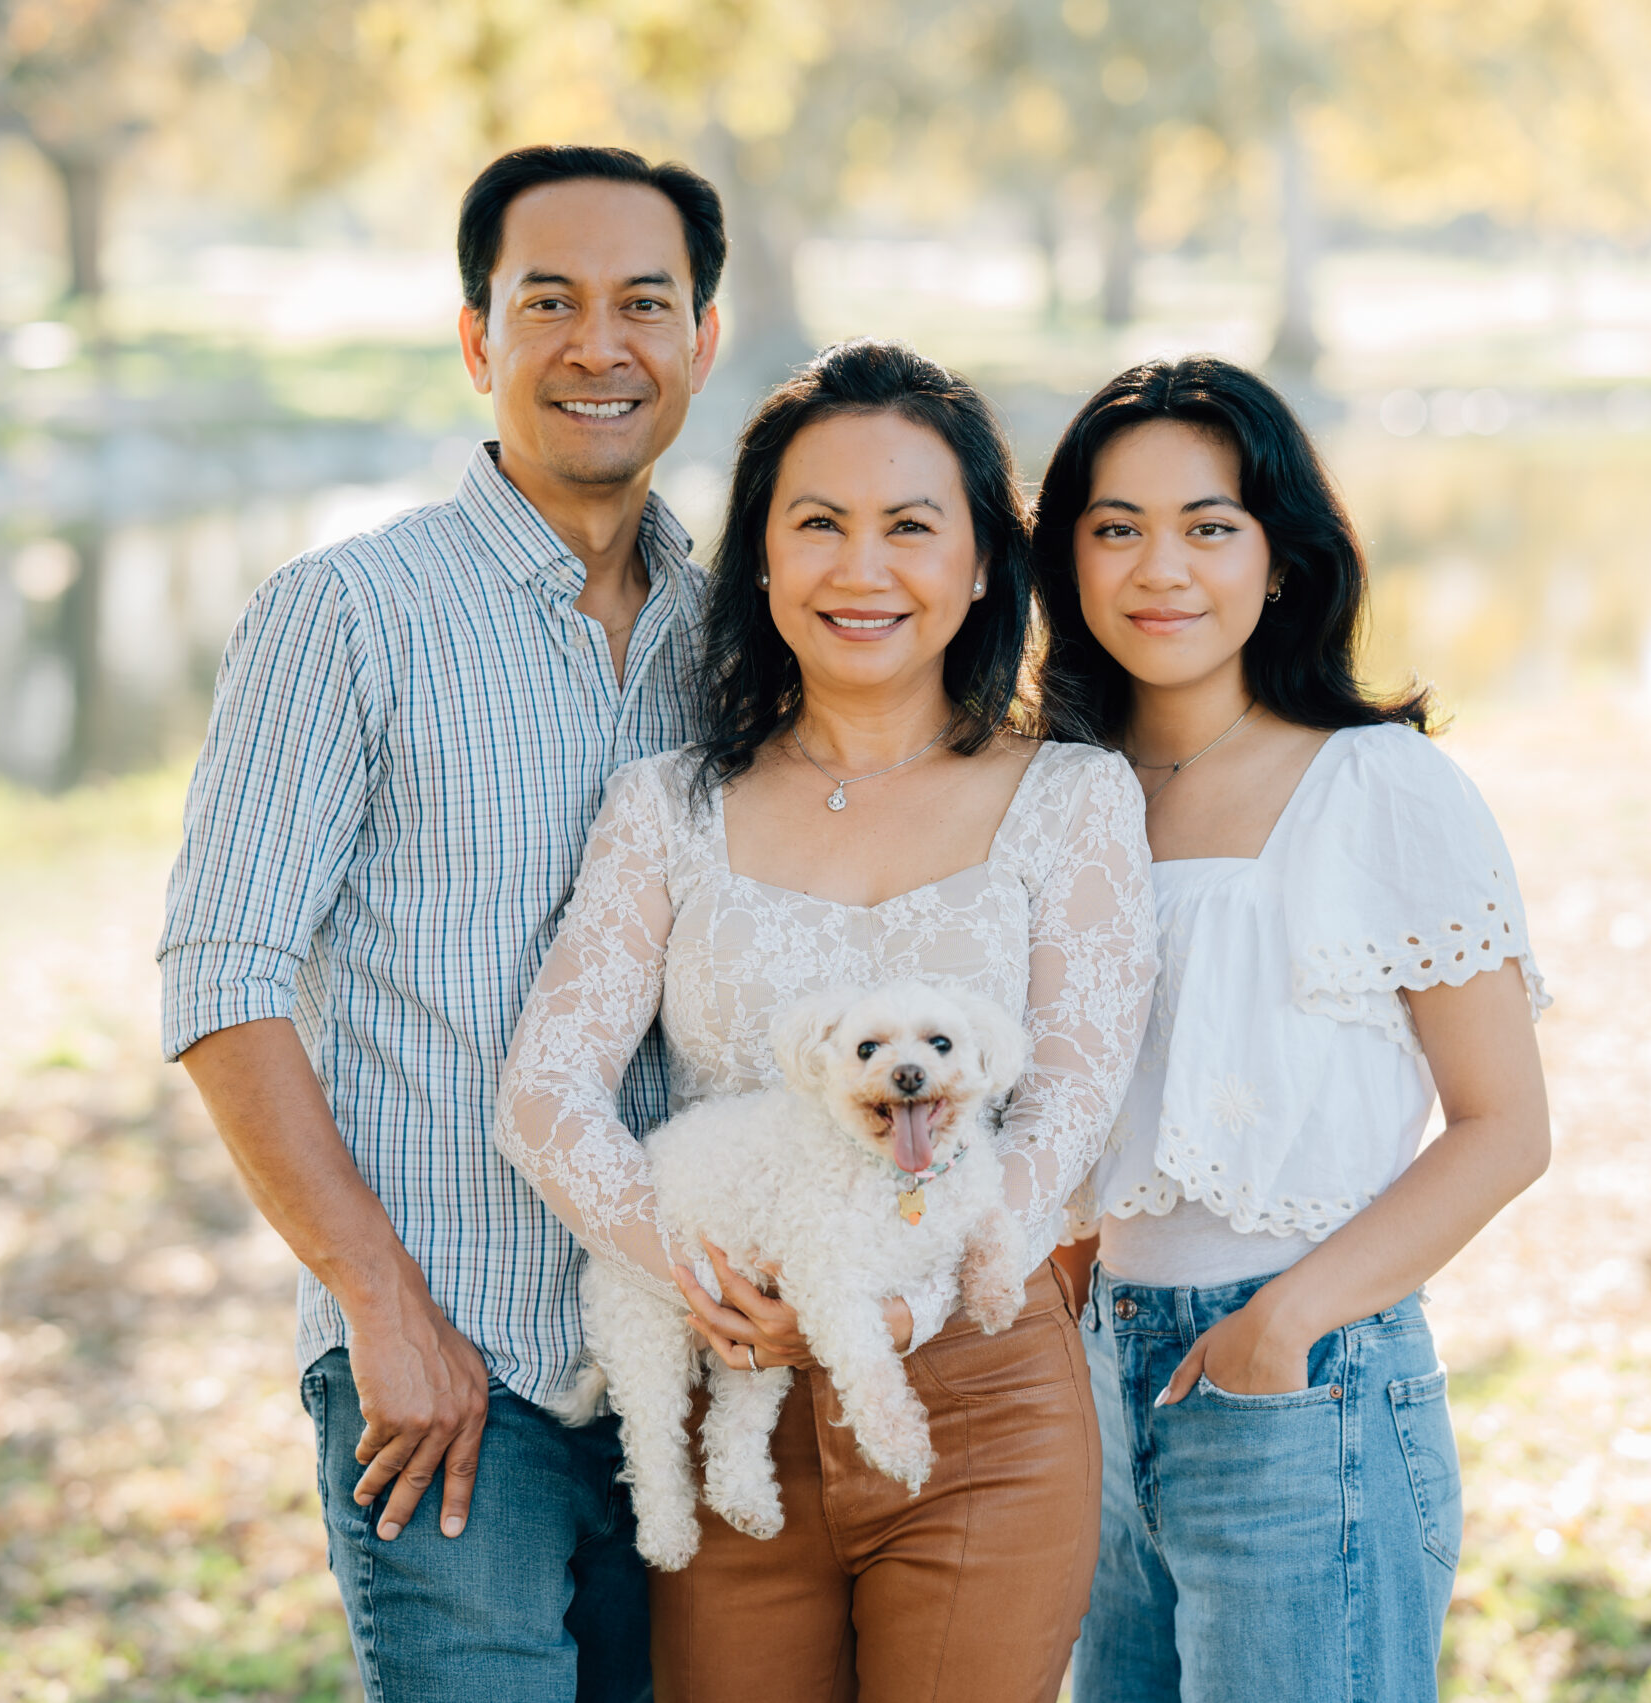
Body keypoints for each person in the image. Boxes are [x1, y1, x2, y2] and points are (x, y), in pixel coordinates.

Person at [494, 338, 1157, 1703]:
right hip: (729, 1394)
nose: (863, 570)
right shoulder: (667, 809)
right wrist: (701, 1279)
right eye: (819, 526)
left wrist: (907, 1310)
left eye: (912, 527)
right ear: (762, 563)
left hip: (979, 1395)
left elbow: (1075, 1100)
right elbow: (546, 1090)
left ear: (982, 563)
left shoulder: (1076, 799)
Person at [157, 144, 727, 1703]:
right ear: (479, 339)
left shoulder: (750, 630)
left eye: (643, 304)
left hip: (697, 1371)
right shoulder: (345, 615)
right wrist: (378, 1308)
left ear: (702, 342)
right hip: (449, 1369)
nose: (597, 345)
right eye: (549, 302)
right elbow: (222, 981)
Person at [1032, 357, 1552, 1703]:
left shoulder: (1378, 788)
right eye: (1116, 528)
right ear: (1069, 562)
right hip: (1096, 1376)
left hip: (1304, 1381)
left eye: (1210, 525)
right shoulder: (1050, 797)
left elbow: (1505, 1128)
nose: (1164, 567)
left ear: (1279, 558)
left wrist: (1285, 1326)